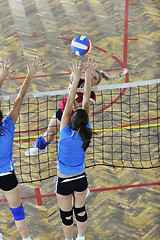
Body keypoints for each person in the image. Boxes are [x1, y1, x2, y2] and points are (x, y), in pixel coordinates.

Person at [25, 60, 127, 157]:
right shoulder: (78, 81)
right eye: (90, 74)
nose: (91, 77)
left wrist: (66, 93)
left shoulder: (92, 95)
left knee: (68, 142)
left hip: (76, 120)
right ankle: (41, 147)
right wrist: (79, 68)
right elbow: (73, 76)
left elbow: (79, 108)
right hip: (63, 111)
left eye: (95, 78)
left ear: (97, 84)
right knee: (50, 133)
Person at [0, 58, 44, 240]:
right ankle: (26, 239)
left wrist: (1, 76)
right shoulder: (8, 128)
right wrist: (30, 74)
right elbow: (19, 98)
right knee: (17, 211)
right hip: (6, 176)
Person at [55, 57, 97, 240]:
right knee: (80, 210)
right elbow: (86, 99)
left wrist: (76, 78)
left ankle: (68, 239)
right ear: (86, 122)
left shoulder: (64, 132)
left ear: (70, 120)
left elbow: (71, 99)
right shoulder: (85, 135)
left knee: (66, 216)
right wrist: (87, 75)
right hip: (81, 180)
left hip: (64, 182)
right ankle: (81, 237)